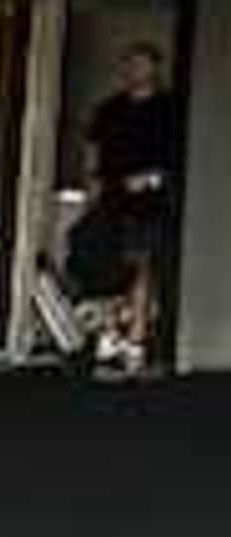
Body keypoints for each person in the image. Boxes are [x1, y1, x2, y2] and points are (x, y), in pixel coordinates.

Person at [77, 40, 182, 367]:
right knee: (105, 264)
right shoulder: (110, 108)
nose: (135, 70)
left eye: (142, 63)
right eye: (130, 64)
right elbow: (92, 148)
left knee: (142, 263)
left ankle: (136, 338)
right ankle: (109, 333)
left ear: (155, 68)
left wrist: (156, 177)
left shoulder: (170, 109)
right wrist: (91, 183)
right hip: (111, 195)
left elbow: (179, 154)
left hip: (149, 199)